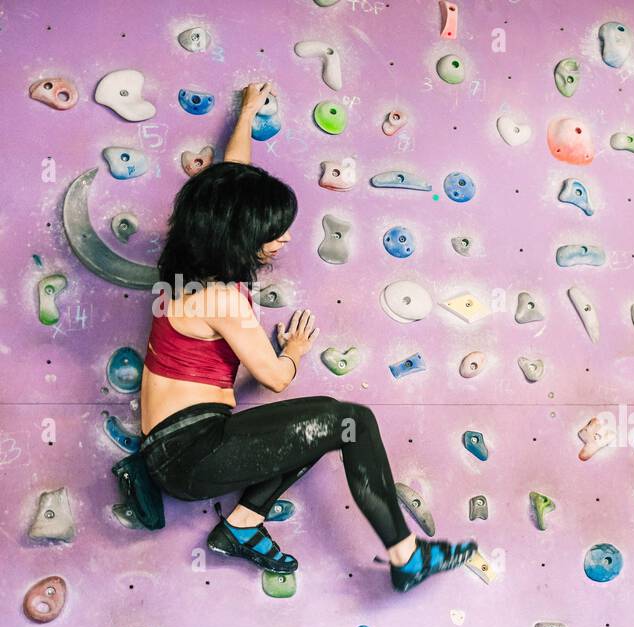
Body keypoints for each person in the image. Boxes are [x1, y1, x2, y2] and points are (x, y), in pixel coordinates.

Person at [139, 81, 475, 592]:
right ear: (239, 236)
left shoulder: (185, 265)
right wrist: (292, 352)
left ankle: (242, 529)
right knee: (351, 422)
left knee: (316, 430)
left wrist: (247, 115)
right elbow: (273, 379)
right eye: (272, 233)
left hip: (183, 446)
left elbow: (231, 184)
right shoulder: (221, 300)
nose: (285, 239)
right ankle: (408, 557)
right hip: (192, 452)